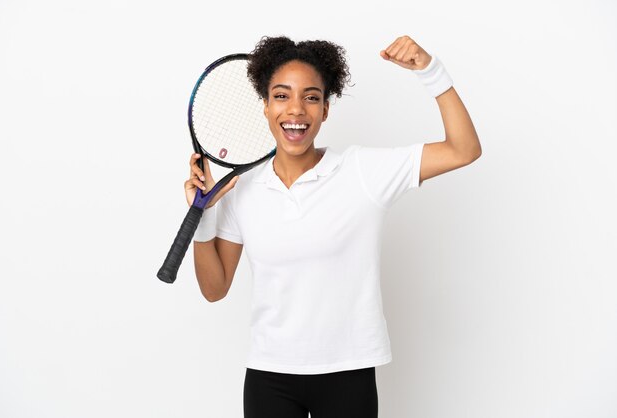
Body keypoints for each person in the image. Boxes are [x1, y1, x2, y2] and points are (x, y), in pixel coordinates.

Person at [184, 35, 481, 418]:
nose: (296, 109)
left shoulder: (363, 172)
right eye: (281, 95)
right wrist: (204, 215)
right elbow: (214, 288)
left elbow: (464, 149)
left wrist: (431, 71)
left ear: (326, 109)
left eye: (311, 97)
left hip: (348, 371)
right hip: (269, 374)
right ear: (264, 106)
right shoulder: (244, 188)